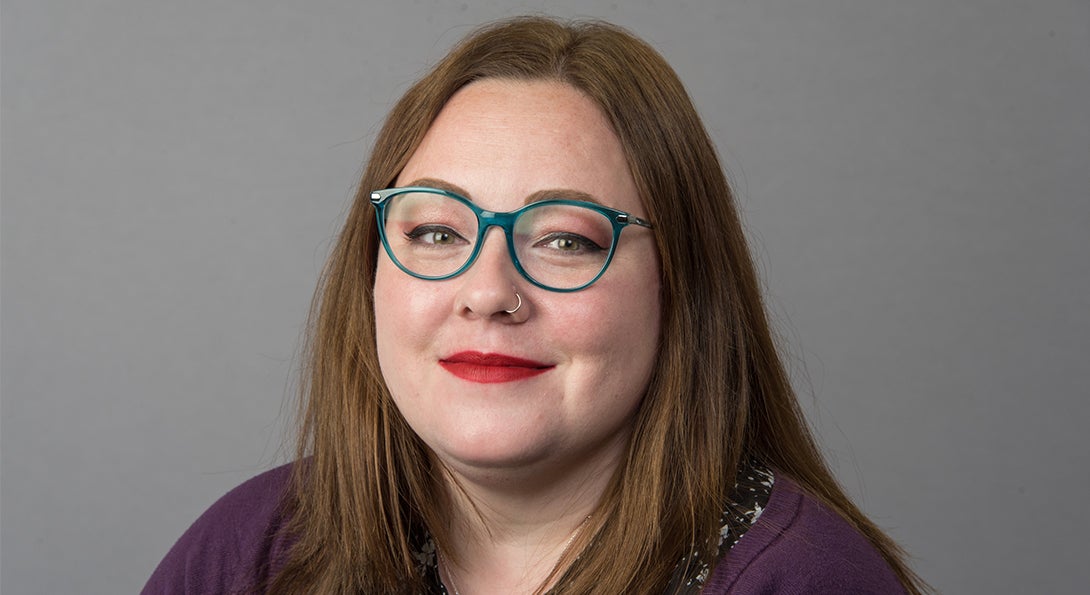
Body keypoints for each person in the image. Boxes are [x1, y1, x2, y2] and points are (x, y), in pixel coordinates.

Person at [144, 16, 928, 595]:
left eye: (565, 241)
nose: (487, 293)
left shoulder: (801, 580)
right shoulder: (256, 551)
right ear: (373, 273)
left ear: (681, 288)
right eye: (438, 229)